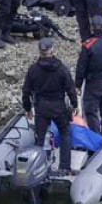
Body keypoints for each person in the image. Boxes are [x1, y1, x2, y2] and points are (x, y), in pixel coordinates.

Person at [21, 37, 78, 175]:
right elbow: (70, 88)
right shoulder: (61, 69)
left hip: (41, 108)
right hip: (58, 107)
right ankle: (64, 167)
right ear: (52, 50)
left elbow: (26, 91)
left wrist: (27, 109)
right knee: (65, 133)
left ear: (40, 51)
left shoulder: (33, 70)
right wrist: (75, 105)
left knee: (39, 138)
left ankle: (37, 167)